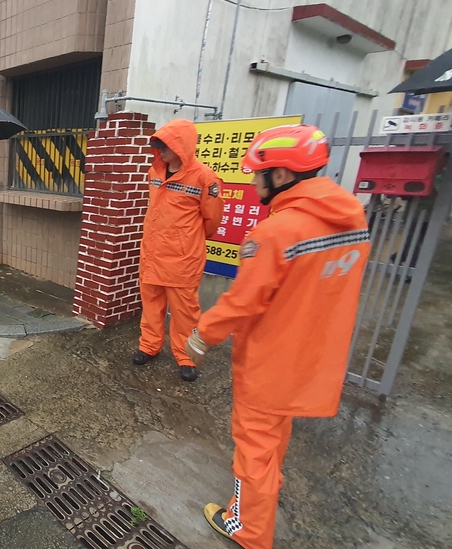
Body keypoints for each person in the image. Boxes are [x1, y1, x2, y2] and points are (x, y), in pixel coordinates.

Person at [185, 125, 371, 549]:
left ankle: (248, 530)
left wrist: (201, 336)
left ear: (283, 175)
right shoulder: (352, 219)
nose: (252, 181)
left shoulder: (275, 233)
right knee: (273, 442)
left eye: (257, 173)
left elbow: (243, 301)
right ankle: (257, 506)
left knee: (253, 449)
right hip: (315, 358)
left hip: (270, 360)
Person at [134, 119, 224, 382]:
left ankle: (186, 357)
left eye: (165, 145)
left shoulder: (205, 178)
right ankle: (149, 345)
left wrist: (187, 241)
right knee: (151, 305)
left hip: (182, 259)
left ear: (181, 146)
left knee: (185, 312)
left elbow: (212, 220)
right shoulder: (155, 172)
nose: (159, 150)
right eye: (158, 145)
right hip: (152, 253)